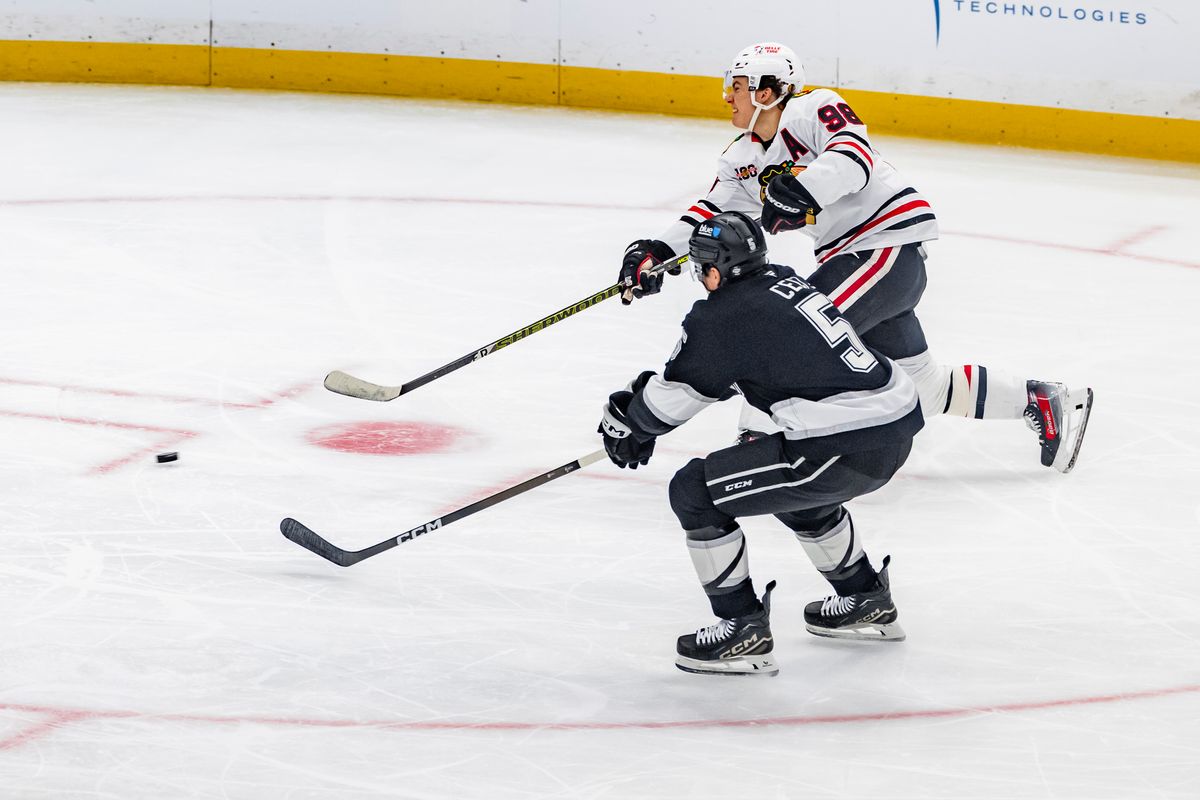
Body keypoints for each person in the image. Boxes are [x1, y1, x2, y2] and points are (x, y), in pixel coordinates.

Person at [618, 42, 1093, 474]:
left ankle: (757, 443)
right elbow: (713, 210)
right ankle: (1042, 400)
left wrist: (803, 191)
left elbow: (854, 155)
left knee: (790, 331)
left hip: (882, 246)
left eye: (738, 87)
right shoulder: (742, 157)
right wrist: (657, 252)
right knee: (919, 384)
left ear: (768, 90)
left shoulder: (812, 108)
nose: (728, 97)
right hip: (862, 261)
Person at [599, 211, 923, 676]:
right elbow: (745, 366)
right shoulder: (784, 284)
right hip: (890, 428)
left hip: (841, 448)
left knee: (694, 492)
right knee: (794, 495)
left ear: (713, 270)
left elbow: (675, 400)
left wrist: (630, 424)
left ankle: (743, 631)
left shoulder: (723, 315)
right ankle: (866, 598)